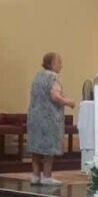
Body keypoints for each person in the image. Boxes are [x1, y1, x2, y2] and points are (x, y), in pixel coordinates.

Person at [27, 52, 76, 185]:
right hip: (49, 118)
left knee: (36, 147)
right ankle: (47, 176)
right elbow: (55, 96)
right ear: (53, 64)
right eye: (60, 62)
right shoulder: (53, 77)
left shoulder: (37, 76)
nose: (62, 65)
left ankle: (36, 175)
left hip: (35, 117)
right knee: (49, 147)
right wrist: (69, 102)